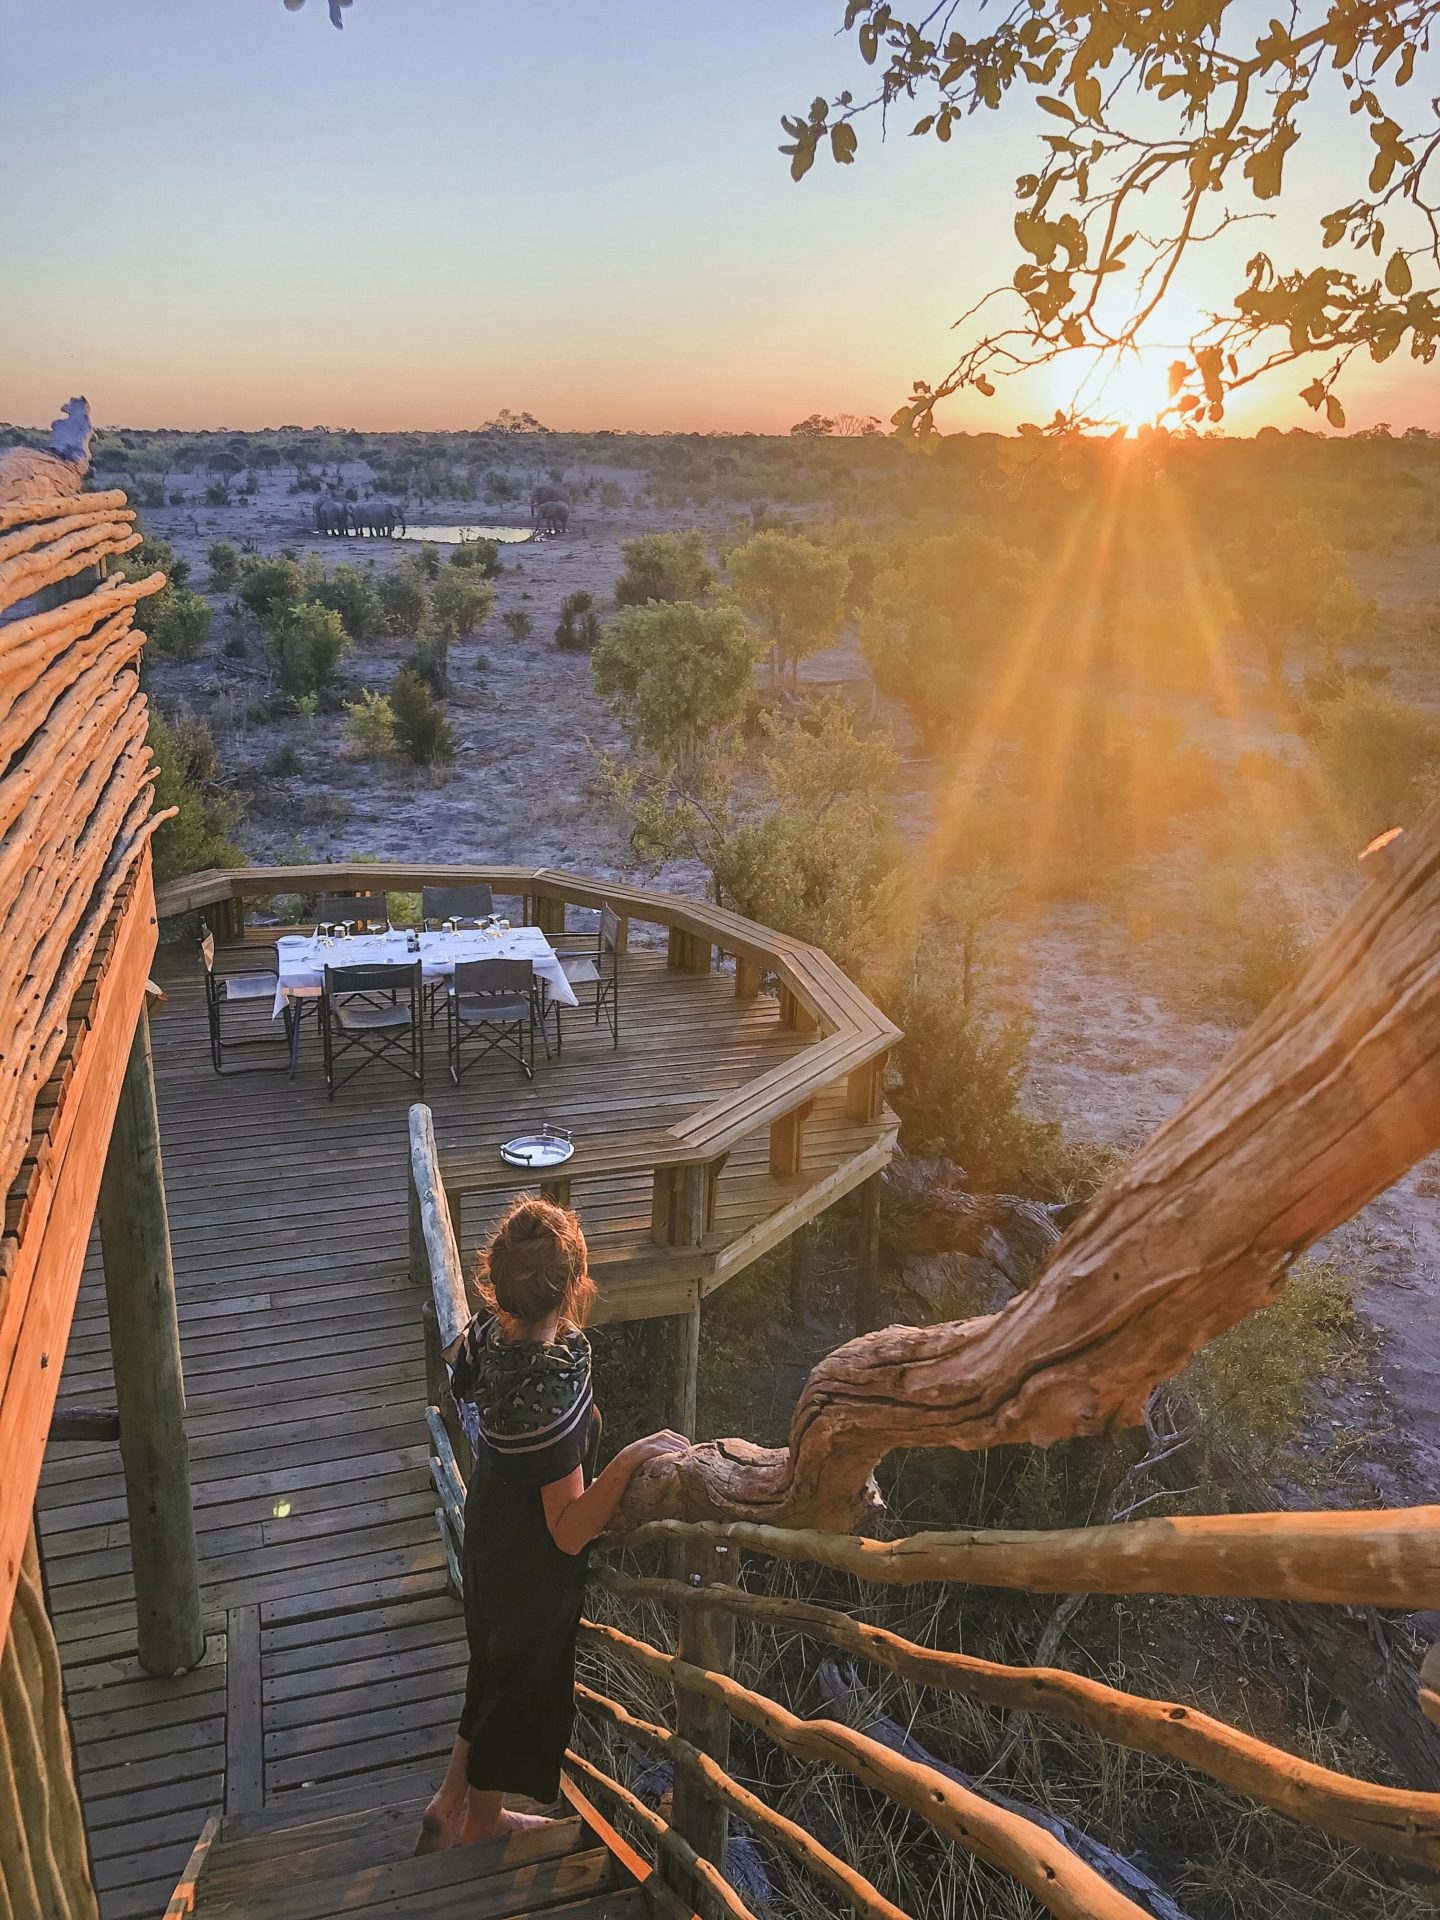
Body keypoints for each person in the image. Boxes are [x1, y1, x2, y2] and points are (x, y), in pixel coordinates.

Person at [416, 1196, 688, 1851]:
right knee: (518, 1693)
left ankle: (449, 1799)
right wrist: (624, 1461)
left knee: (491, 1670)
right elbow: (567, 1528)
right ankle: (483, 1822)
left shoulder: (486, 1335)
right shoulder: (551, 1384)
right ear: (573, 1287)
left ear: (498, 1280)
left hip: (488, 1528)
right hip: (531, 1568)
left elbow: (464, 1381)